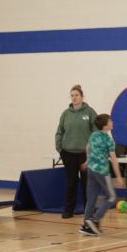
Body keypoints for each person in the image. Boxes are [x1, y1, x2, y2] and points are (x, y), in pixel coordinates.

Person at [55, 84, 97, 219]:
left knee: (87, 183)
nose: (74, 98)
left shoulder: (89, 112)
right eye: (72, 95)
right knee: (71, 182)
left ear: (82, 96)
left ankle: (88, 209)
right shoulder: (65, 114)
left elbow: (96, 132)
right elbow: (59, 132)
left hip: (85, 154)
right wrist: (60, 149)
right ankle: (69, 210)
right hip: (68, 153)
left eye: (76, 95)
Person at [81, 114, 125, 236]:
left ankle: (86, 225)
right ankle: (94, 220)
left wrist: (87, 161)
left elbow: (87, 147)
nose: (112, 122)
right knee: (111, 197)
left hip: (91, 170)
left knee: (91, 199)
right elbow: (114, 160)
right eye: (110, 120)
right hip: (102, 171)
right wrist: (119, 177)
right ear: (106, 125)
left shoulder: (93, 135)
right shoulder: (108, 140)